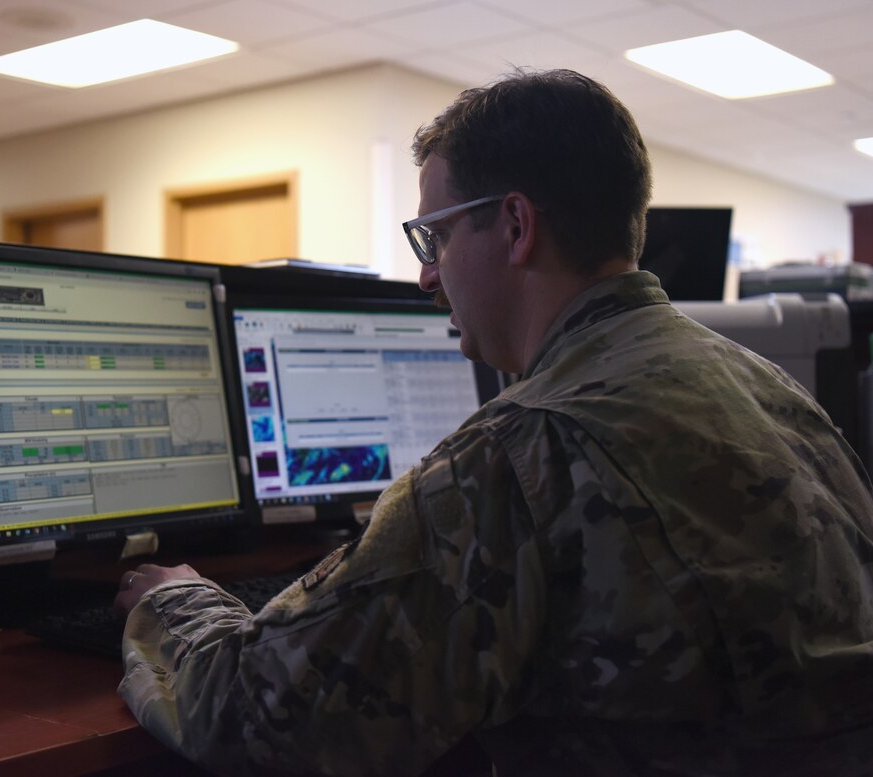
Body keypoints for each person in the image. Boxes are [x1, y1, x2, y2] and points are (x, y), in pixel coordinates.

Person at [114, 68, 873, 776]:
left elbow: (248, 710)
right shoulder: (772, 392)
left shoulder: (518, 454)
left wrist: (178, 596)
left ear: (515, 225)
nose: (426, 275)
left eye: (436, 237)